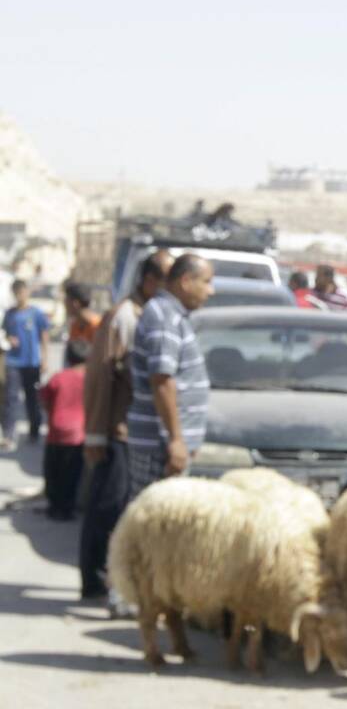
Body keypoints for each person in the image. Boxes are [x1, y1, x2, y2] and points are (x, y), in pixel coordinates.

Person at [80, 250, 173, 602]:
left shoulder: (152, 316)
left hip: (139, 433)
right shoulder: (124, 317)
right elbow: (101, 378)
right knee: (107, 506)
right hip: (118, 430)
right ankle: (96, 579)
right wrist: (96, 433)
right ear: (151, 280)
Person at [126, 254, 214, 497]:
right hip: (160, 446)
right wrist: (176, 440)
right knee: (155, 526)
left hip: (165, 444)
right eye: (206, 282)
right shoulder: (165, 317)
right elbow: (162, 382)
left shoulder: (172, 315)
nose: (211, 291)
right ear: (186, 281)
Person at [39, 341, 91, 521]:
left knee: (53, 472)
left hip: (55, 433)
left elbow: (44, 400)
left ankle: (54, 507)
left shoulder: (58, 377)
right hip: (78, 435)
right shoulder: (90, 379)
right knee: (72, 474)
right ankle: (67, 509)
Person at [2, 279, 50, 449]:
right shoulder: (9, 314)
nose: (20, 296)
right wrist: (9, 339)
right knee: (11, 398)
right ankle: (8, 434)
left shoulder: (36, 313)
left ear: (27, 293)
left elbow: (44, 336)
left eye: (22, 292)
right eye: (17, 293)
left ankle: (34, 431)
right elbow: (6, 334)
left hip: (31, 362)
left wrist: (45, 358)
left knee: (32, 399)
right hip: (13, 362)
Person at [64, 281, 101, 347]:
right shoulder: (75, 325)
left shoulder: (98, 326)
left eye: (66, 301)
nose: (65, 305)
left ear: (75, 304)